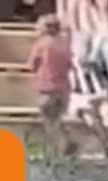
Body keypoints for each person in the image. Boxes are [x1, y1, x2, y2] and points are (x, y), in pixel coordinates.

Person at [27, 13, 75, 156]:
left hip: (46, 88)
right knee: (58, 119)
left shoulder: (41, 45)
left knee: (49, 122)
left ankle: (57, 150)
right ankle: (66, 142)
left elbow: (32, 65)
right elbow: (69, 65)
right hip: (63, 89)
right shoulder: (64, 45)